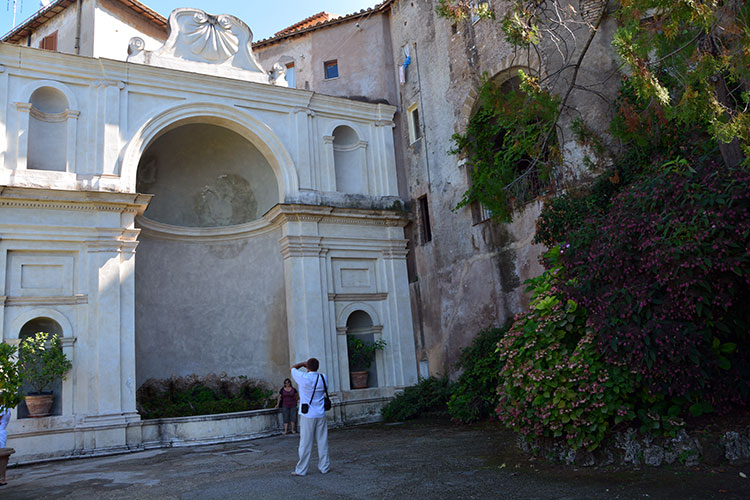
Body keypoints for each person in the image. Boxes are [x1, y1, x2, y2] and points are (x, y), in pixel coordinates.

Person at [290, 357, 329, 476]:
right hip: (320, 413)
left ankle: (301, 470)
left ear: (307, 367)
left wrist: (302, 363)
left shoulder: (304, 378)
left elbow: (292, 368)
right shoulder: (323, 377)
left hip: (308, 414)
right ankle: (324, 467)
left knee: (305, 443)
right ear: (317, 366)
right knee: (322, 441)